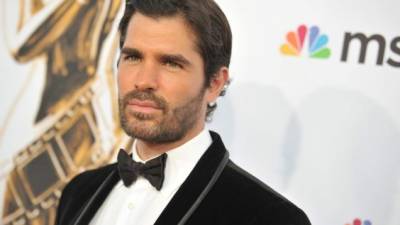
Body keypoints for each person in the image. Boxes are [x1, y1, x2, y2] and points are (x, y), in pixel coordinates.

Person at [55, 0, 312, 224]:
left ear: (214, 83)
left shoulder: (271, 218)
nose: (144, 80)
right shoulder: (78, 193)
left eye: (170, 63)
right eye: (133, 57)